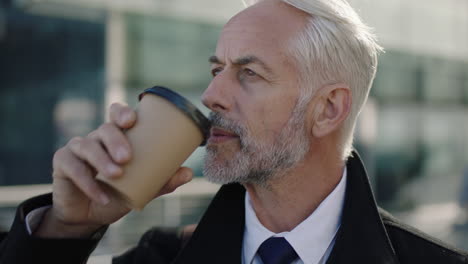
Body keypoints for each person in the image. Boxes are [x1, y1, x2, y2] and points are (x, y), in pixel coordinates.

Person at [1, 0, 467, 263]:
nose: (211, 95)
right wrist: (64, 231)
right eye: (217, 68)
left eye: (249, 74)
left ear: (328, 110)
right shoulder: (162, 258)